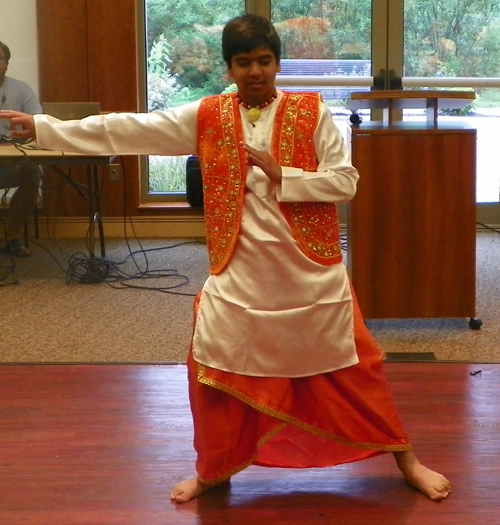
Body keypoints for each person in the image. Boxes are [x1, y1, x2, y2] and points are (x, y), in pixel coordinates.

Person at [0, 14, 451, 503]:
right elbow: (131, 129)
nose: (255, 71)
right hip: (236, 269)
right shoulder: (209, 115)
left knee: (352, 368)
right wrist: (45, 127)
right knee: (212, 365)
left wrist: (286, 176)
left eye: (263, 60)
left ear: (277, 63)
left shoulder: (312, 112)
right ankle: (215, 468)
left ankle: (405, 456)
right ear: (229, 69)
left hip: (309, 270)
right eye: (243, 63)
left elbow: (346, 182)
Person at [0, 41, 42, 256]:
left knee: (31, 173)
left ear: (7, 64)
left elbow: (37, 122)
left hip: (12, 160)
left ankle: (13, 236)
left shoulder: (20, 89)